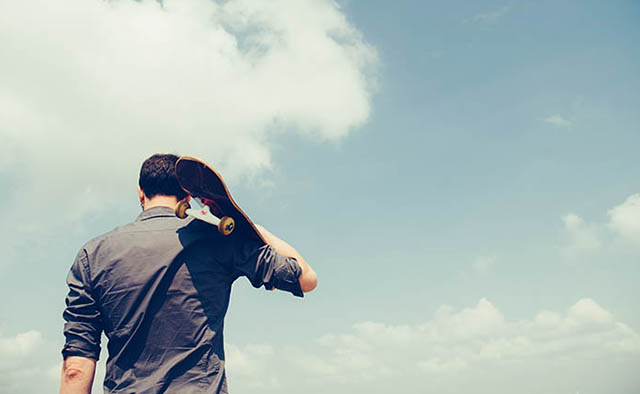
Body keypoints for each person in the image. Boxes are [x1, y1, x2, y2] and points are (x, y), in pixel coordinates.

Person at [59, 153, 317, 394]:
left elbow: (75, 368)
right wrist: (254, 229)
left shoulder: (91, 255)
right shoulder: (219, 238)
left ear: (140, 193)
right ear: (187, 193)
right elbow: (306, 278)